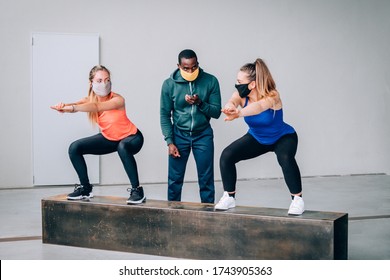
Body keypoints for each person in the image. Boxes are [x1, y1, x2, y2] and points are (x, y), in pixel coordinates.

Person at [215, 58, 304, 215]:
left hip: (282, 136)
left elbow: (259, 107)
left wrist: (239, 114)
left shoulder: (273, 95)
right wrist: (230, 107)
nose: (237, 84)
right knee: (227, 155)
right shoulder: (242, 95)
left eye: (239, 81)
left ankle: (297, 200)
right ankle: (229, 196)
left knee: (285, 158)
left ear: (252, 84)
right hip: (257, 138)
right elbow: (233, 100)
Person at [50, 65, 145, 204]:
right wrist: (63, 107)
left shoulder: (118, 100)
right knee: (74, 148)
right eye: (99, 80)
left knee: (123, 147)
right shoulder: (90, 99)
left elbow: (96, 107)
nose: (104, 84)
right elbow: (77, 104)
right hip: (111, 139)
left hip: (132, 138)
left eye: (107, 80)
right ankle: (85, 188)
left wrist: (73, 108)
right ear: (91, 83)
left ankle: (137, 191)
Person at [160, 49, 222, 203]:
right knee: (174, 179)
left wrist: (200, 103)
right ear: (179, 66)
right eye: (186, 68)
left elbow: (216, 112)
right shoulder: (169, 85)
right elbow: (164, 114)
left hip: (203, 135)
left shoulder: (210, 81)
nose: (190, 71)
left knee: (206, 178)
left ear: (198, 64)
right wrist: (170, 141)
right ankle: (172, 213)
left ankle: (208, 215)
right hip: (179, 135)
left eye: (194, 67)